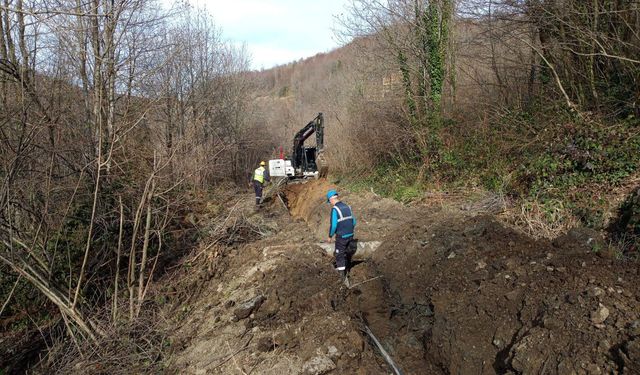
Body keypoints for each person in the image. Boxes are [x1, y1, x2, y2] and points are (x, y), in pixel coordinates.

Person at [326, 189, 356, 285]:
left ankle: (343, 279)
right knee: (346, 253)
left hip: (342, 236)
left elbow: (334, 225)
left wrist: (330, 236)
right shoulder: (347, 207)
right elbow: (354, 222)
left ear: (331, 199)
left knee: (339, 255)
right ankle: (347, 269)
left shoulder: (335, 209)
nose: (330, 203)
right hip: (350, 235)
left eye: (329, 201)